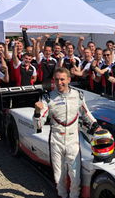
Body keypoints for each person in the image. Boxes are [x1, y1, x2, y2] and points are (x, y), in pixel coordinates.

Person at [33, 68, 101, 198]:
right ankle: (62, 196)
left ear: (69, 79)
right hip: (56, 139)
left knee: (75, 176)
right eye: (57, 79)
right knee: (59, 176)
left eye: (62, 79)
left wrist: (97, 127)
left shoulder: (78, 95)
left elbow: (86, 114)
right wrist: (37, 112)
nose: (59, 82)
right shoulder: (47, 97)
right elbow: (38, 125)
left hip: (73, 139)